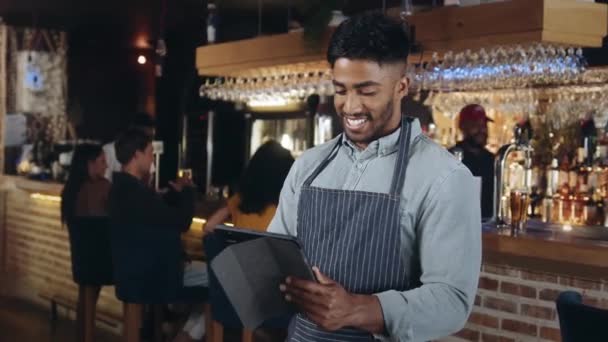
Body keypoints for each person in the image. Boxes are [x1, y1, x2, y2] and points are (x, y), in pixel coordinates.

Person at [268, 13, 481, 341]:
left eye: (366, 91)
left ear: (401, 87)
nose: (350, 106)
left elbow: (452, 302)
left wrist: (356, 308)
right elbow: (274, 259)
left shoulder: (445, 178)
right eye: (340, 90)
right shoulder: (308, 166)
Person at [108, 129, 207, 342]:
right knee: (221, 278)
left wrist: (172, 194)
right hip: (158, 276)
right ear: (137, 155)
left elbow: (155, 215)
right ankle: (184, 335)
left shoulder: (120, 189)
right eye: (149, 152)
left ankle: (170, 327)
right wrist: (188, 191)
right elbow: (182, 222)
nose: (152, 158)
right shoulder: (137, 193)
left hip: (131, 274)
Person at [60, 143, 111, 342]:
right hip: (103, 262)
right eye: (102, 161)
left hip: (82, 263)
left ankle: (83, 336)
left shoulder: (71, 189)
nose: (106, 166)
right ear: (90, 164)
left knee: (86, 295)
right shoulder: (102, 187)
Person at [204, 140, 295, 233]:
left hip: (242, 246)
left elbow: (209, 226)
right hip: (274, 247)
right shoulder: (289, 204)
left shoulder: (240, 198)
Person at [449, 104, 495, 219]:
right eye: (476, 125)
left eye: (484, 125)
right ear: (462, 126)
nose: (482, 130)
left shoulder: (492, 159)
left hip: (488, 228)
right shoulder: (451, 157)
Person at [103, 112, 156, 181]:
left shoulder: (147, 150)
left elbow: (149, 179)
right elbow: (104, 180)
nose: (152, 159)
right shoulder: (110, 149)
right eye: (146, 135)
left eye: (151, 137)